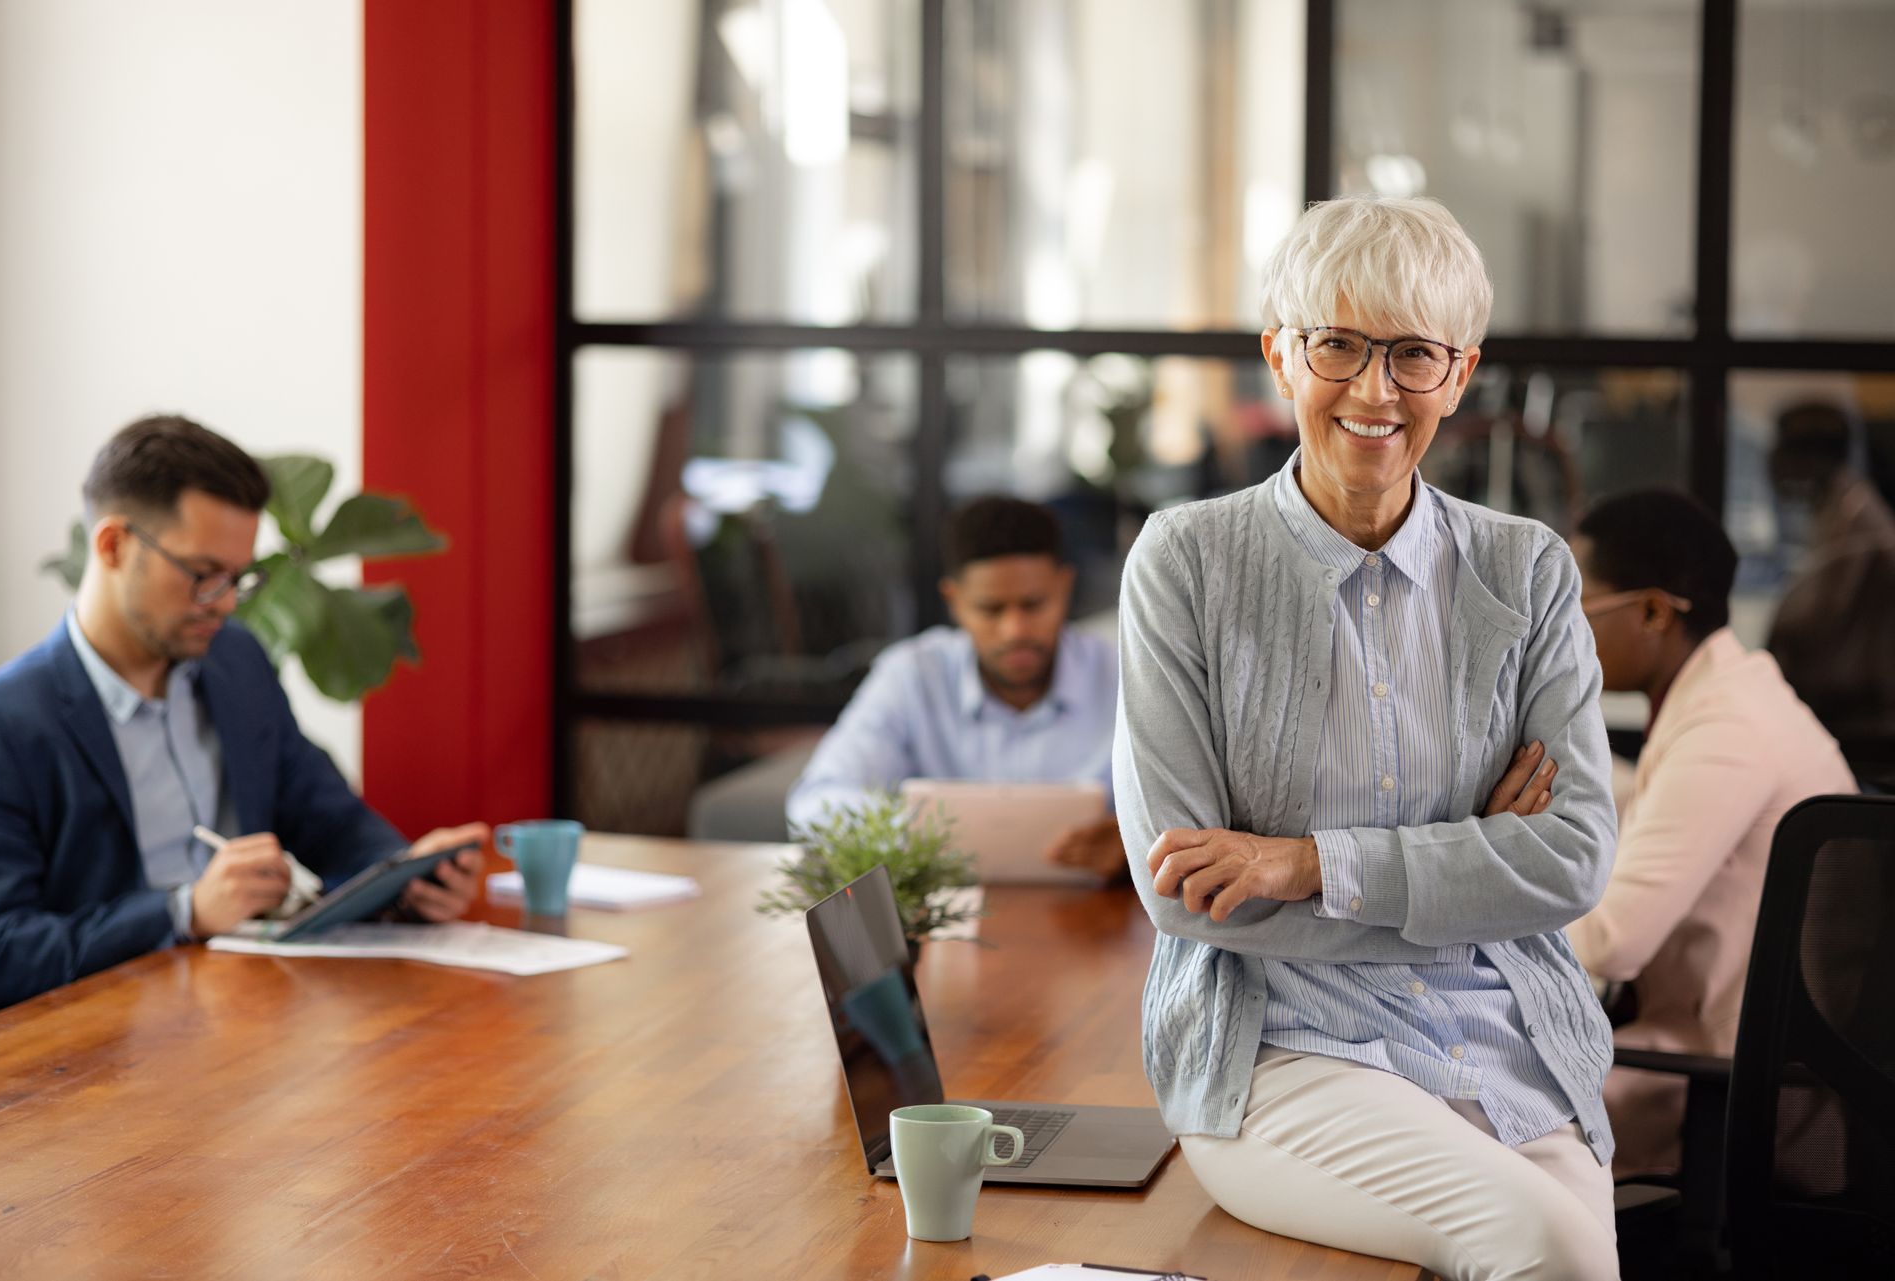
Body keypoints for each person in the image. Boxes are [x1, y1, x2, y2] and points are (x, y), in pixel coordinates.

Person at [1114, 196, 1622, 1280]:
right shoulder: (1186, 563)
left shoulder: (1525, 571)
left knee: (1580, 1256)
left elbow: (1573, 857)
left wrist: (1302, 865)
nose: (1373, 389)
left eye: (1413, 355)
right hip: (1279, 1050)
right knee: (1555, 1252)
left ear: (1462, 371)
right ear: (1280, 356)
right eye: (1338, 344)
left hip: (1504, 1038)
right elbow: (1180, 893)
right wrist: (1464, 871)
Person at [0, 415, 486, 1015]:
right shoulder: (1, 724)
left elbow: (325, 816)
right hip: (97, 1051)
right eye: (201, 575)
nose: (222, 602)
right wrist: (183, 911)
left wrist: (408, 878)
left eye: (237, 577)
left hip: (244, 1019)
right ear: (113, 545)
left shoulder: (235, 661)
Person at [1564, 489, 1855, 1176]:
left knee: (1474, 1113)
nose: (1560, 627)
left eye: (1577, 606)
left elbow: (1613, 939)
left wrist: (1471, 925)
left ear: (1654, 612)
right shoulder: (1725, 692)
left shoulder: (1729, 729)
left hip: (1727, 1078)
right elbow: (1648, 800)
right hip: (1723, 1045)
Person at [787, 496, 1124, 878]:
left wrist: (1134, 844)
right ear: (955, 601)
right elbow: (816, 803)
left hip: (1095, 917)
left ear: (1065, 587)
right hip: (940, 920)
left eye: (1033, 605)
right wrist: (917, 840)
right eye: (990, 609)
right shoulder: (911, 675)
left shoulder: (1127, 678)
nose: (1015, 630)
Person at [1764, 400, 1895, 740]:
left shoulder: (1856, 519)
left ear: (1811, 457)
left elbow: (1812, 617)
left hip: (1857, 708)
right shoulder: (1836, 505)